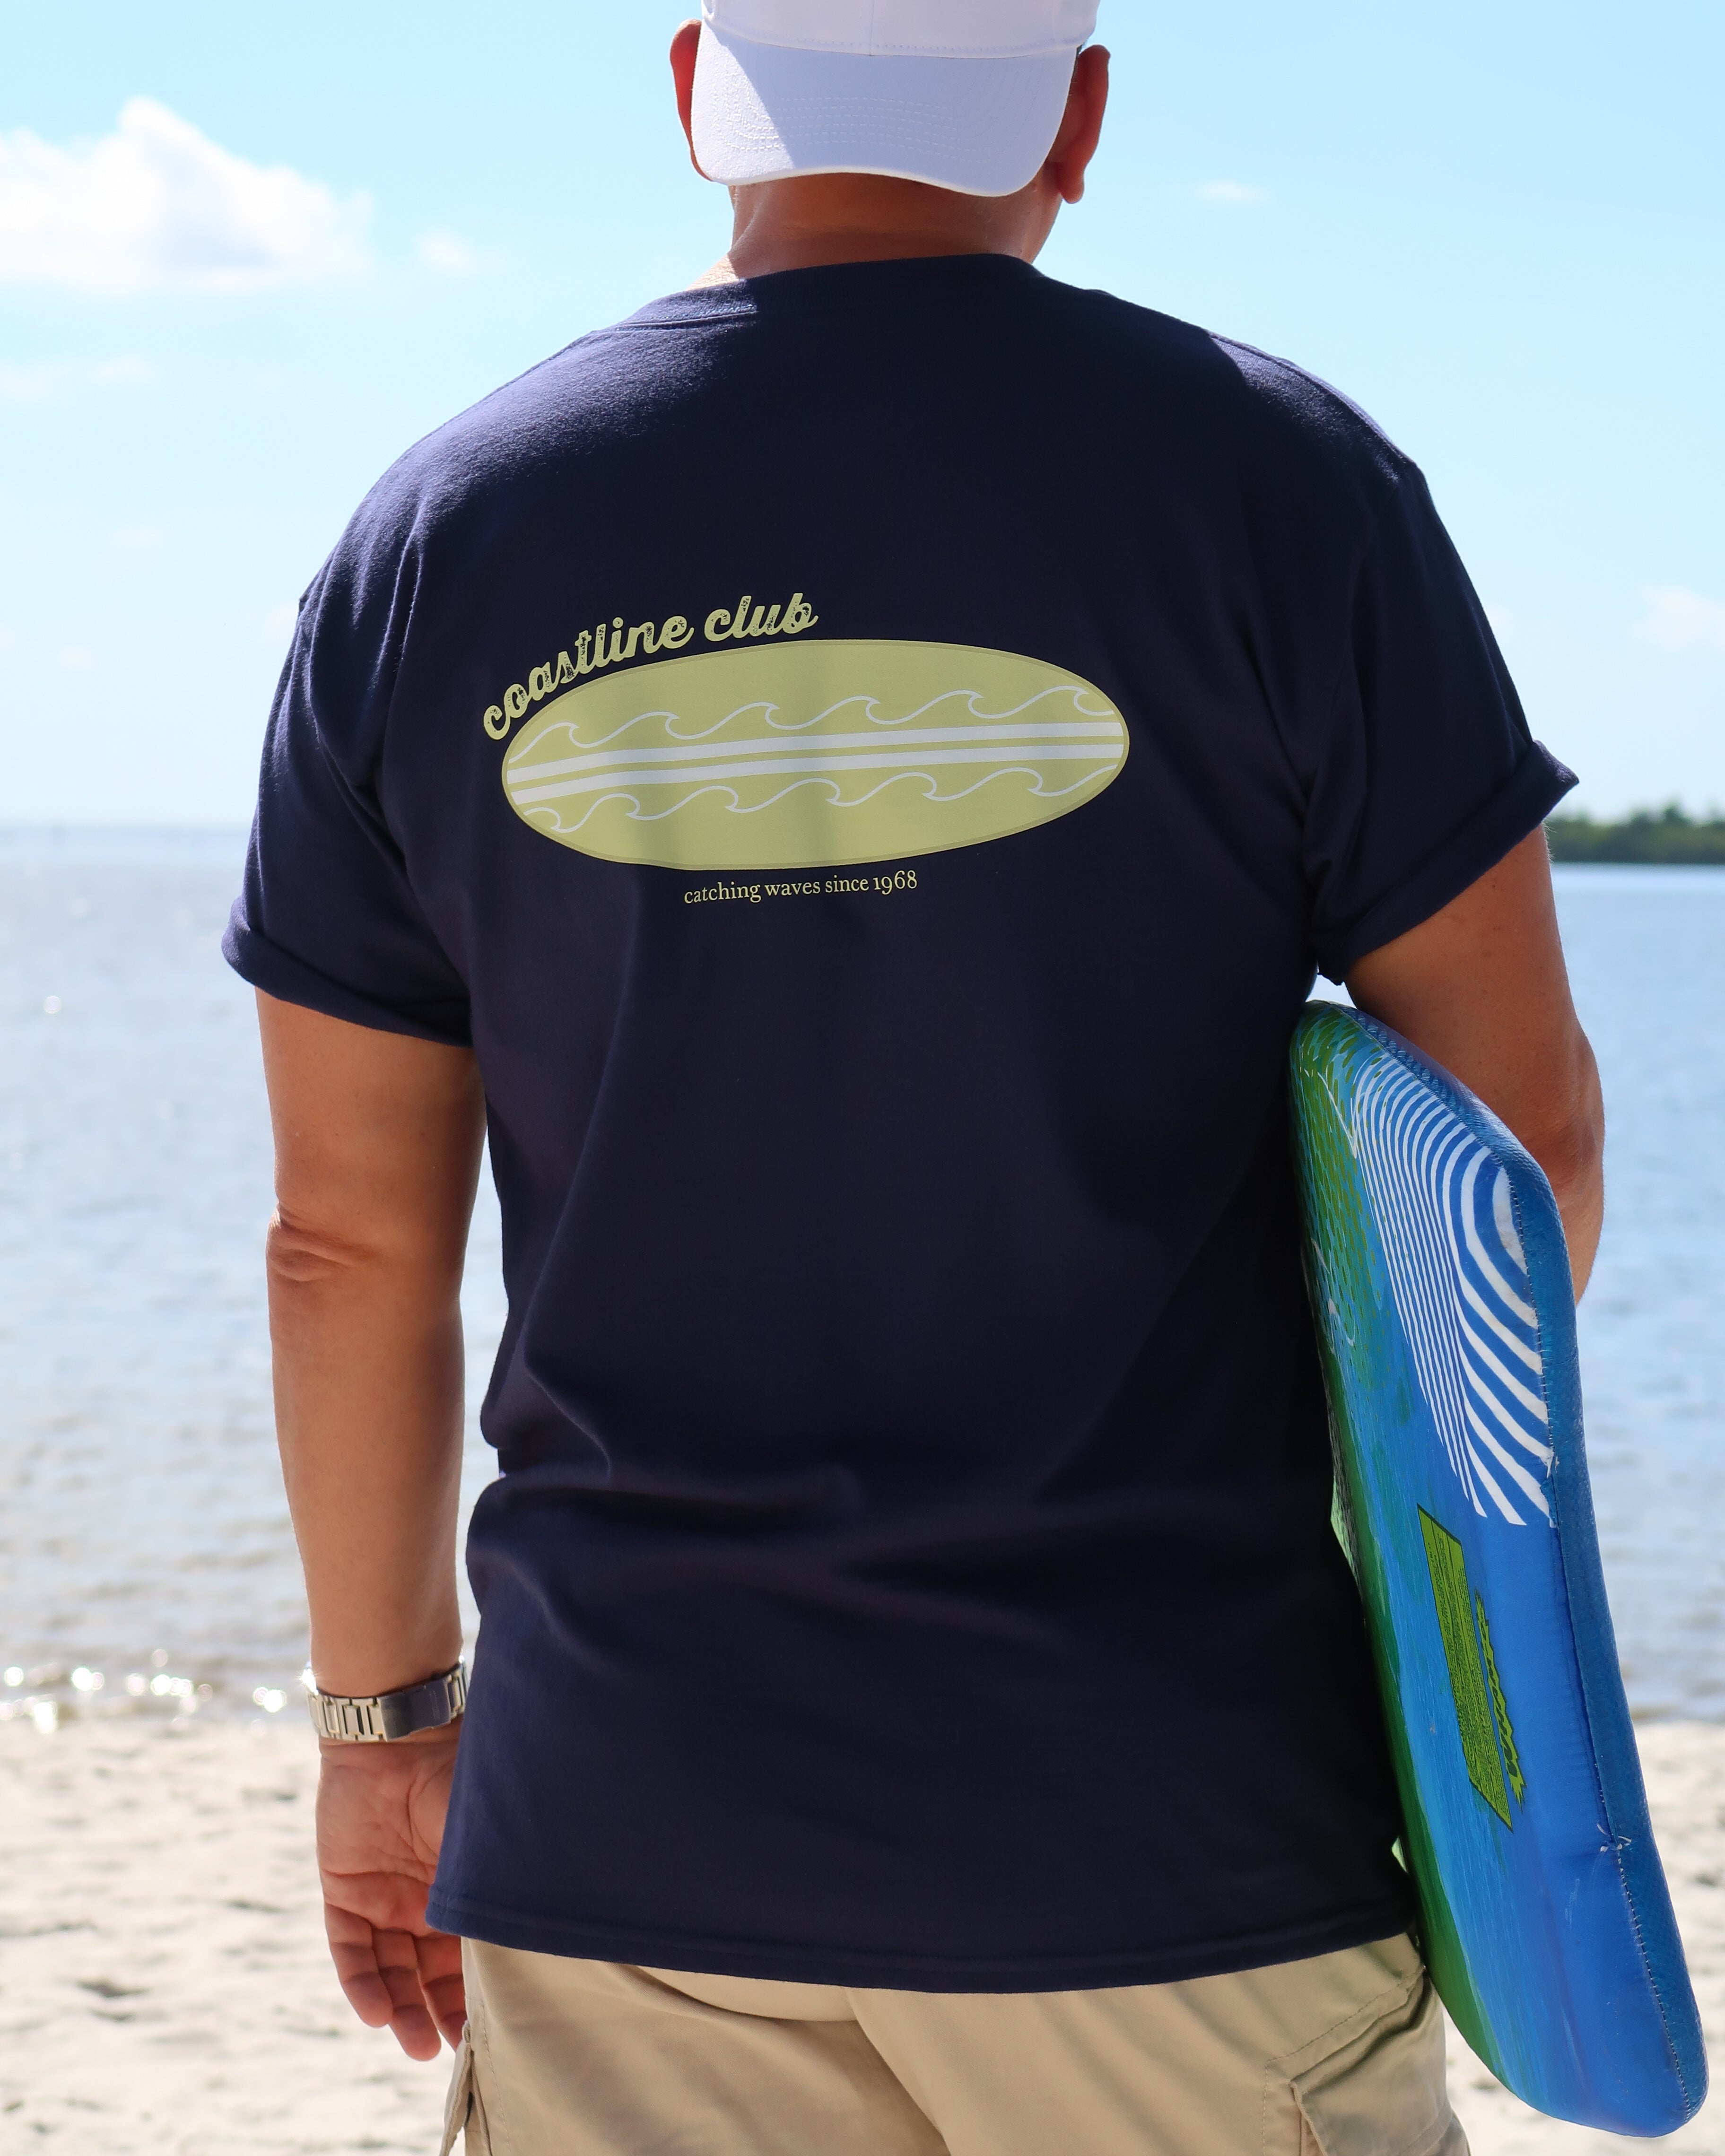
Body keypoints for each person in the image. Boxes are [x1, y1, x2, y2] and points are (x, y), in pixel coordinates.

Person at [226, 4, 1604, 2150]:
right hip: (1171, 1817)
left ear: (695, 87)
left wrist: (386, 1725)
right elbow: (1519, 1166)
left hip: (631, 1825)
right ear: (1080, 108)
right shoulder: (1282, 485)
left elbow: (345, 1249)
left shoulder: (435, 540)